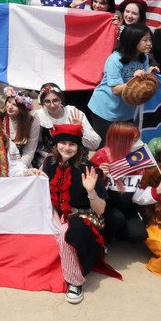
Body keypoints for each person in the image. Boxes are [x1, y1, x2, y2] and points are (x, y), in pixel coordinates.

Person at [44, 124, 108, 304]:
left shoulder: (89, 169)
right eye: (62, 143)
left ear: (79, 147)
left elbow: (100, 209)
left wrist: (91, 191)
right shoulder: (49, 163)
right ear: (56, 144)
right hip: (58, 214)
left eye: (71, 144)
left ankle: (75, 281)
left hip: (84, 217)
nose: (66, 147)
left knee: (69, 232)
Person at [87, 24, 153, 136]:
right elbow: (116, 90)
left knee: (124, 147)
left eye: (150, 40)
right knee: (106, 148)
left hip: (127, 111)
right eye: (145, 40)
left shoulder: (143, 57)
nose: (149, 44)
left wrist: (149, 74)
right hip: (106, 110)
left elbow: (142, 82)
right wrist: (134, 79)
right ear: (132, 40)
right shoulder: (114, 60)